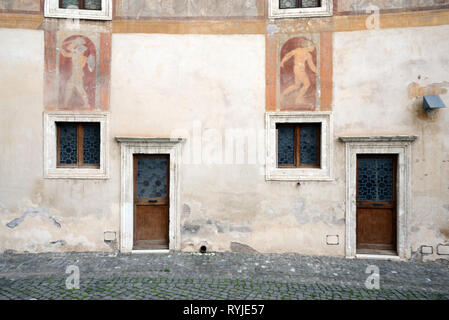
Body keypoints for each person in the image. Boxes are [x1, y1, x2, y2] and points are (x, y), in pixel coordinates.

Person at [60, 36, 95, 108]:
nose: (75, 49)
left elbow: (67, 51)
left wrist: (70, 46)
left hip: (77, 74)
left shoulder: (79, 56)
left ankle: (86, 104)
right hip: (75, 74)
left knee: (78, 89)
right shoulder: (78, 55)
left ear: (81, 50)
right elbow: (67, 52)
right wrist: (63, 48)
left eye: (78, 49)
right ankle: (65, 104)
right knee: (69, 87)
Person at [280, 40, 317, 104]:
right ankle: (298, 99)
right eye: (312, 46)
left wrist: (282, 62)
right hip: (299, 70)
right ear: (308, 46)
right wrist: (282, 62)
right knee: (307, 84)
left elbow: (312, 66)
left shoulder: (305, 53)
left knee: (297, 85)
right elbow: (288, 55)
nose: (313, 48)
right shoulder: (303, 52)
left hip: (298, 69)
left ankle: (282, 95)